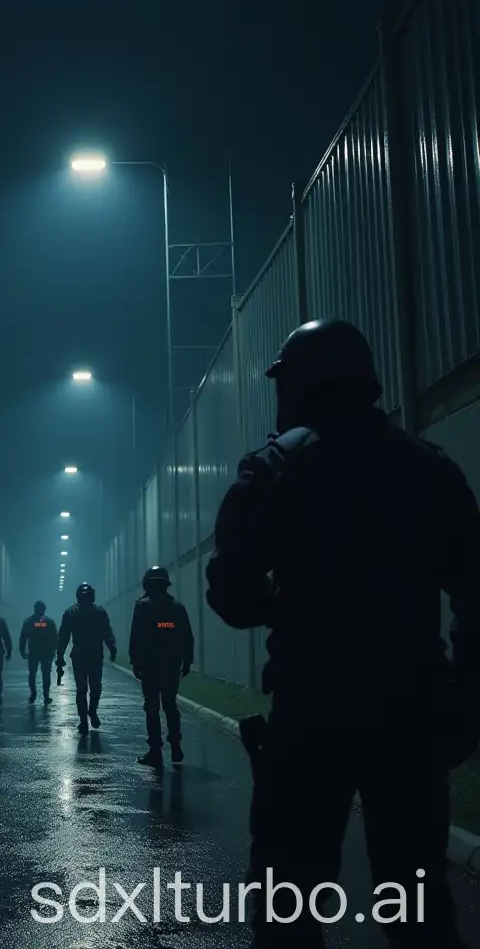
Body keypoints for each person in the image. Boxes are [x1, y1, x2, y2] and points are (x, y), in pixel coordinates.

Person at [205, 319, 480, 948]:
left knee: (288, 904)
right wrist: (467, 703)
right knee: (416, 905)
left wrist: (286, 604)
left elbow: (233, 593)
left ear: (299, 384)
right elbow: (474, 595)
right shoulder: (429, 469)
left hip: (312, 713)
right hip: (411, 711)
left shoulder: (276, 467)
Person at [130, 566, 194, 767]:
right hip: (171, 664)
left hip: (150, 665)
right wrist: (187, 660)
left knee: (152, 707)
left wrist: (136, 661)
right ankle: (175, 745)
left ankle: (155, 751)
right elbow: (186, 635)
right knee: (170, 705)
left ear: (147, 584)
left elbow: (137, 636)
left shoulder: (142, 606)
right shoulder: (177, 607)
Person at [57, 583, 117, 733]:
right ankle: (83, 720)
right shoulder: (72, 612)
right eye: (85, 596)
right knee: (82, 689)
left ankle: (93, 711)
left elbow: (107, 632)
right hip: (81, 655)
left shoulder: (99, 612)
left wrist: (112, 647)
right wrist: (59, 655)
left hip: (94, 655)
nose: (87, 598)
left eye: (88, 596)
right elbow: (63, 635)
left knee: (95, 688)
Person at [19, 600, 58, 704]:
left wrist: (22, 650)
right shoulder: (49, 622)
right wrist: (54, 651)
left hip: (33, 652)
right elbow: (55, 638)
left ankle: (33, 695)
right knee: (46, 674)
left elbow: (23, 637)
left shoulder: (28, 622)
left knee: (32, 674)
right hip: (46, 653)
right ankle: (46, 696)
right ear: (44, 610)